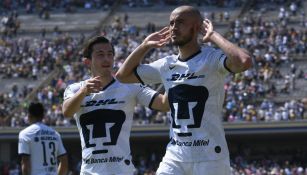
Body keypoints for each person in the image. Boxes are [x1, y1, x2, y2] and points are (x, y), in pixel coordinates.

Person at [115, 5, 252, 175]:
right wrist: (144, 46)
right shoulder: (166, 65)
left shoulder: (211, 58)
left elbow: (244, 61)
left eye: (180, 23)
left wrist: (213, 36)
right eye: (171, 23)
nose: (173, 28)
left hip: (210, 157)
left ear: (196, 27)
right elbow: (122, 76)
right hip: (176, 155)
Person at [62, 36, 169, 174]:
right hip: (90, 171)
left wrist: (173, 78)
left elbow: (164, 105)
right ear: (87, 62)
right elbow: (67, 112)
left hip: (121, 170)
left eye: (110, 54)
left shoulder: (130, 86)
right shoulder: (75, 89)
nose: (106, 59)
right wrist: (84, 92)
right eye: (100, 55)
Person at [18, 101, 68, 175]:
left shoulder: (25, 134)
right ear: (43, 116)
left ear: (29, 116)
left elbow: (25, 163)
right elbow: (64, 162)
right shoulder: (55, 134)